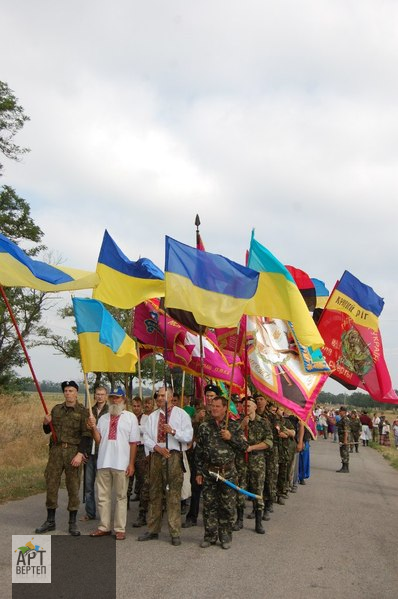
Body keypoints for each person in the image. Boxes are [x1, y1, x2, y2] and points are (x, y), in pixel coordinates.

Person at [138, 386, 193, 546]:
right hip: (157, 454)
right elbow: (147, 437)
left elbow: (188, 436)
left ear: (170, 397)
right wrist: (157, 448)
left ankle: (174, 531)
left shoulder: (181, 414)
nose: (159, 398)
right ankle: (153, 529)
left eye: (162, 395)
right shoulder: (153, 416)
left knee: (173, 494)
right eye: (157, 396)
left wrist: (174, 432)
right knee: (154, 492)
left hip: (173, 455)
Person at [35, 380, 91, 536]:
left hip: (73, 451)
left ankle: (72, 523)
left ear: (76, 392)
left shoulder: (83, 411)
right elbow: (48, 430)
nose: (68, 393)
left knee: (73, 487)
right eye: (66, 390)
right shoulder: (56, 409)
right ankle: (50, 521)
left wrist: (80, 454)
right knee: (51, 483)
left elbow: (86, 435)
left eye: (71, 390)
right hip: (56, 451)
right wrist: (46, 423)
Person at [195, 395, 248, 550]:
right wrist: (198, 472)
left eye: (218, 406)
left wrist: (231, 438)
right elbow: (199, 451)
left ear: (225, 408)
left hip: (227, 472)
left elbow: (244, 447)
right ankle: (210, 535)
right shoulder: (205, 426)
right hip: (209, 472)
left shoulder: (234, 426)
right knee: (209, 505)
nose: (214, 409)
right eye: (212, 406)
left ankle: (225, 536)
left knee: (227, 505)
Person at [88, 388, 140, 540]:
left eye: (117, 398)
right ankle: (104, 527)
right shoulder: (103, 418)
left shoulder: (130, 418)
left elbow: (134, 443)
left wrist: (131, 464)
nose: (114, 400)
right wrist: (92, 428)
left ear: (124, 399)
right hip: (104, 462)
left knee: (121, 497)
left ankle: (120, 528)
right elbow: (98, 440)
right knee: (103, 496)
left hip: (121, 463)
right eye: (112, 398)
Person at [233, 396, 273, 534]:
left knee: (257, 490)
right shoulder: (238, 422)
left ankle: (258, 522)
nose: (246, 408)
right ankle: (239, 520)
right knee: (240, 489)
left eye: (249, 405)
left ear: (255, 407)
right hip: (241, 462)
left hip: (257, 461)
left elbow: (269, 442)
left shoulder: (263, 423)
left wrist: (252, 448)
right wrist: (242, 426)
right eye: (244, 406)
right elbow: (231, 439)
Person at [80, 385, 109, 522]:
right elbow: (85, 433)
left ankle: (106, 514)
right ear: (94, 396)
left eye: (102, 394)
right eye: (97, 394)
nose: (100, 396)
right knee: (88, 485)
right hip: (90, 453)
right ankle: (90, 512)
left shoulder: (110, 412)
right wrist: (83, 451)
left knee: (104, 486)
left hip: (103, 453)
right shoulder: (88, 412)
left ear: (106, 396)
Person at [336, 406, 350, 473]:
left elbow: (346, 430)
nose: (339, 412)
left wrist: (345, 440)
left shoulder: (345, 419)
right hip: (341, 438)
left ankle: (345, 468)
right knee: (342, 452)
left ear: (343, 412)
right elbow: (335, 424)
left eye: (340, 411)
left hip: (344, 439)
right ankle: (344, 467)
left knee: (345, 453)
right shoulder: (342, 419)